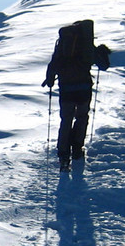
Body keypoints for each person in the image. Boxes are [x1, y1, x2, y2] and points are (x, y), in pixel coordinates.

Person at [42, 19, 111, 170]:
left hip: (66, 90)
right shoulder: (86, 46)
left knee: (66, 120)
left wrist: (50, 79)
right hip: (84, 89)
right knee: (82, 117)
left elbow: (53, 64)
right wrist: (102, 52)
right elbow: (104, 66)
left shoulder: (62, 46)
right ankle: (77, 150)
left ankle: (63, 156)